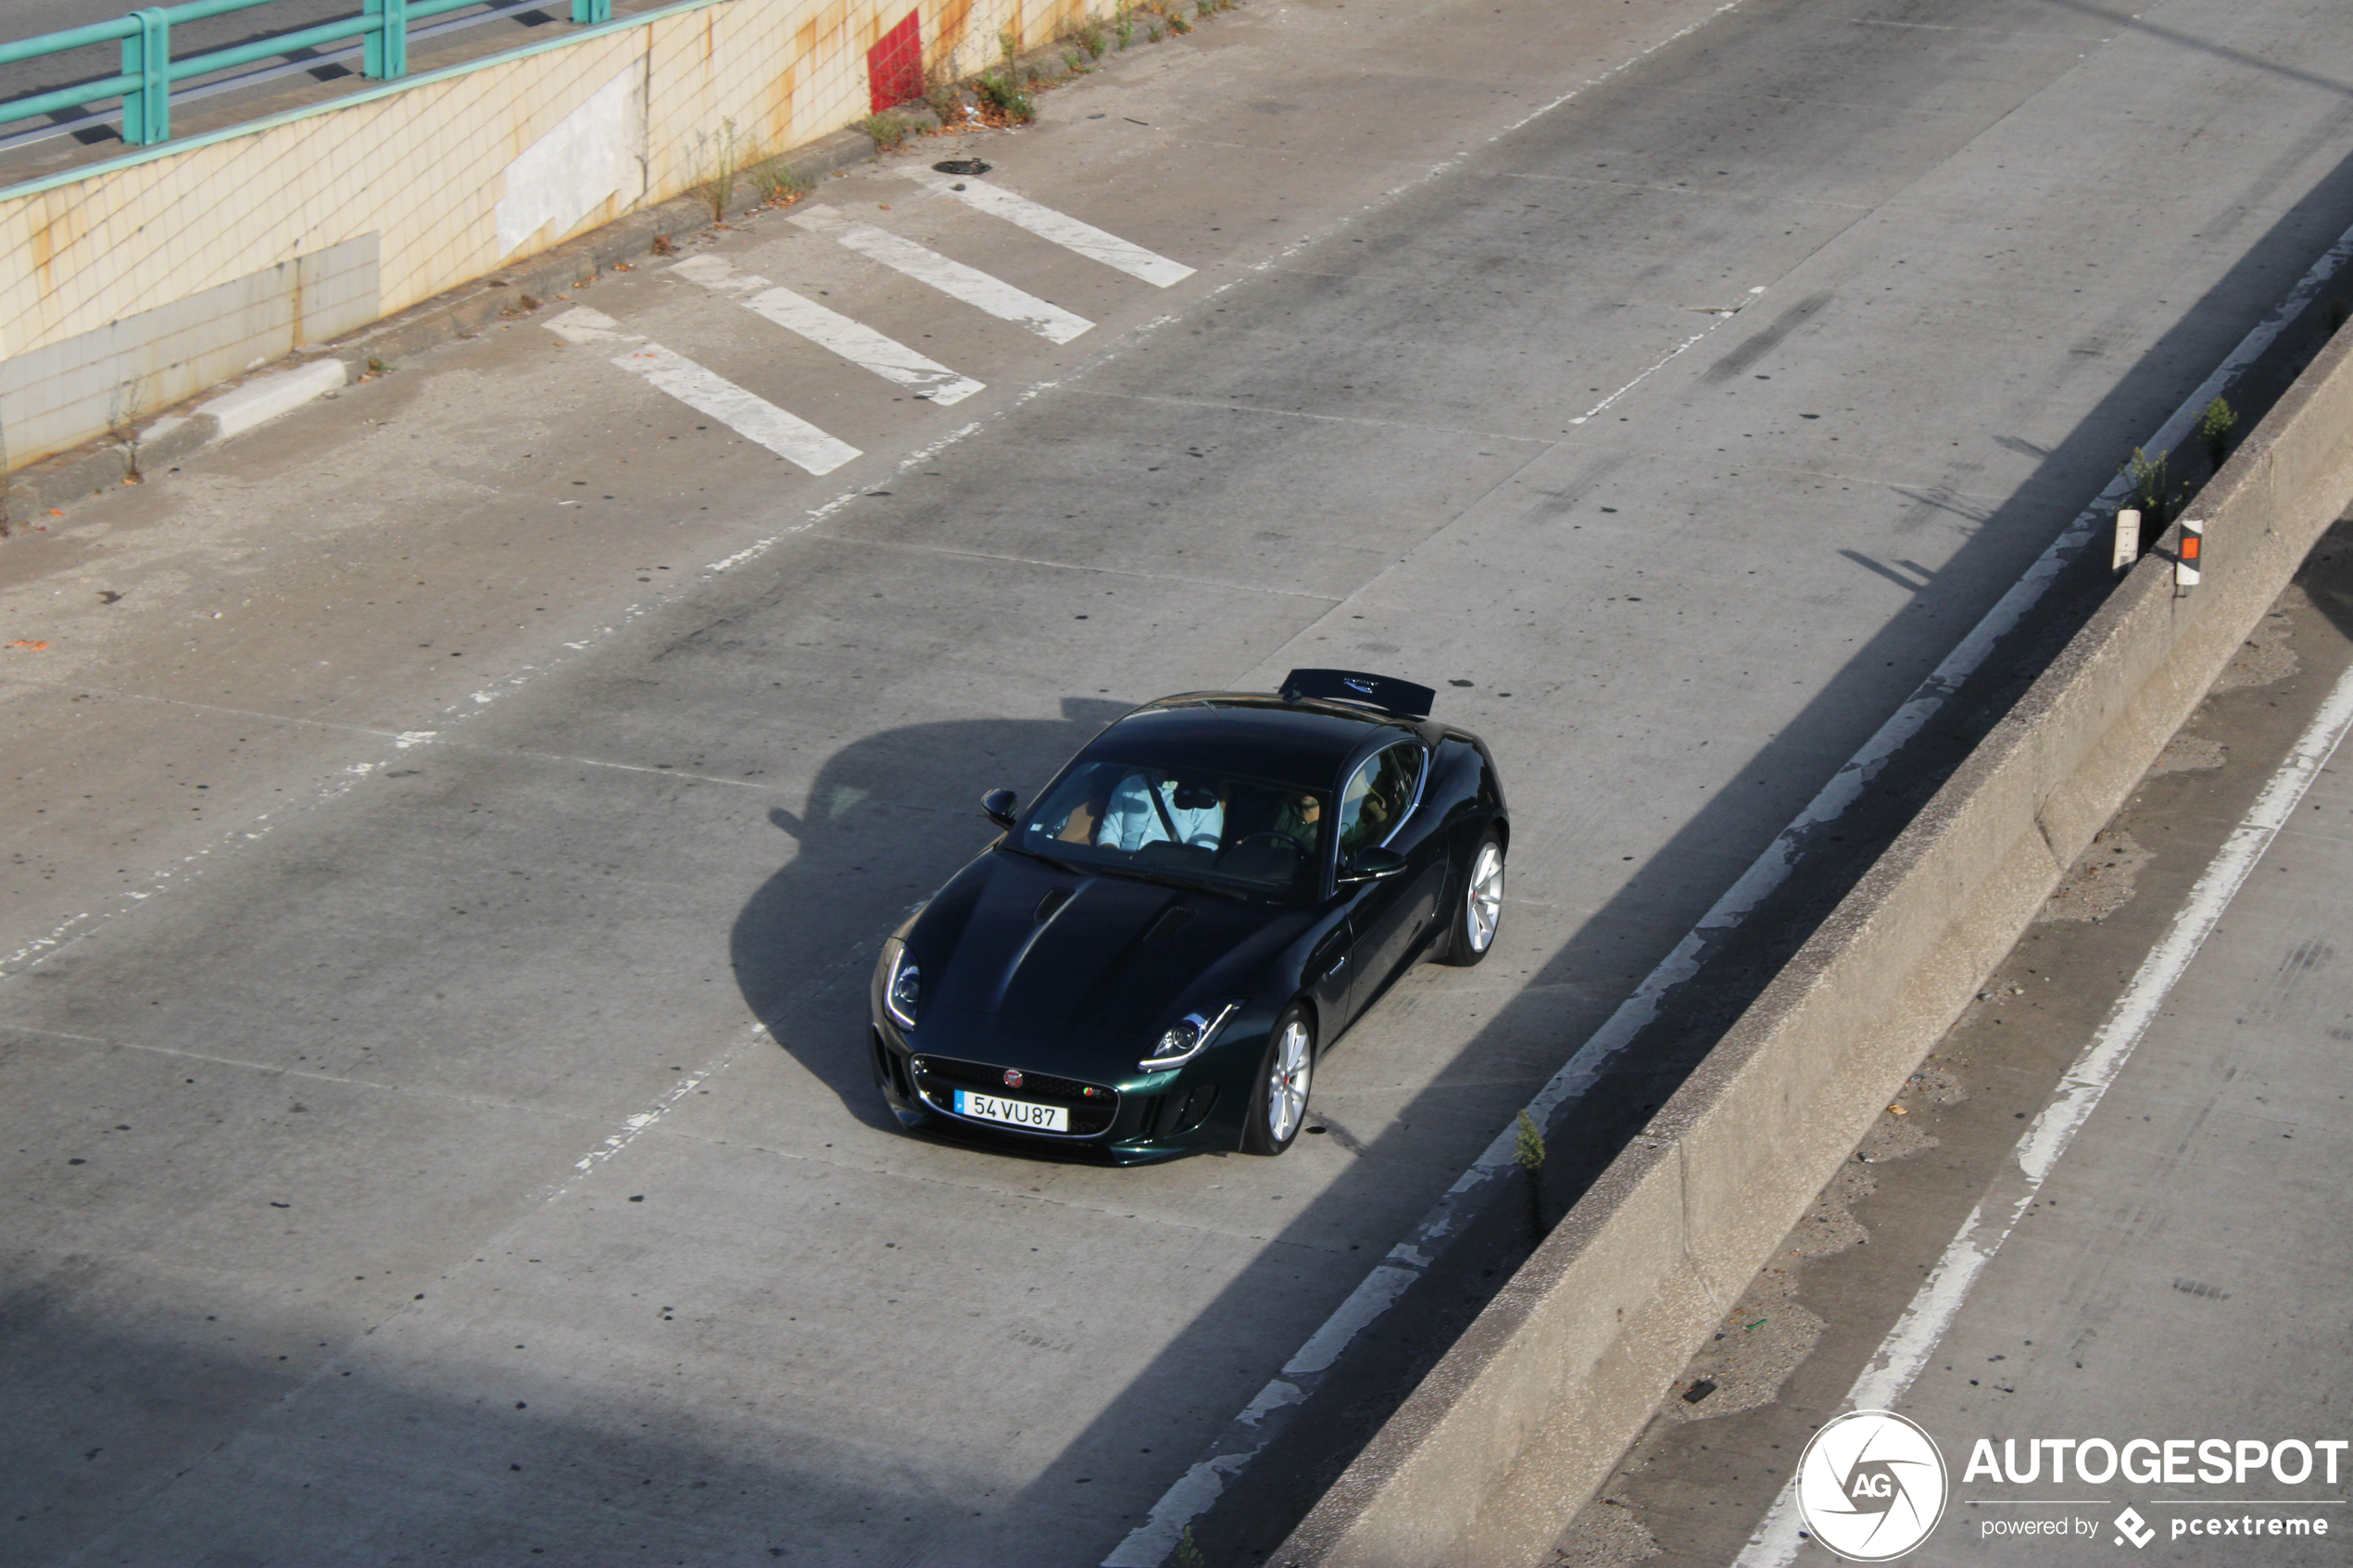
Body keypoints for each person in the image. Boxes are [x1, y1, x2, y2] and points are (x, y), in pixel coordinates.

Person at [1097, 771, 1222, 852]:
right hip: (1119, 870)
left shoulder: (1204, 801)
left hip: (1169, 879)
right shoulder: (1130, 785)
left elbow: (1204, 853)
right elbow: (1110, 831)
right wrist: (1112, 859)